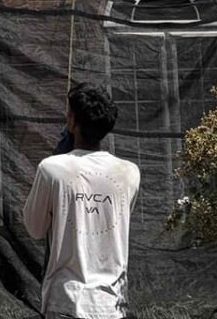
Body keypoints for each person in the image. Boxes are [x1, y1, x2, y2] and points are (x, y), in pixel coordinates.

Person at [25, 83, 141, 319]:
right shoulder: (129, 172)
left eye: (69, 113)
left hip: (65, 302)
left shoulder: (51, 168)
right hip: (113, 304)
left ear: (73, 122)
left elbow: (34, 229)